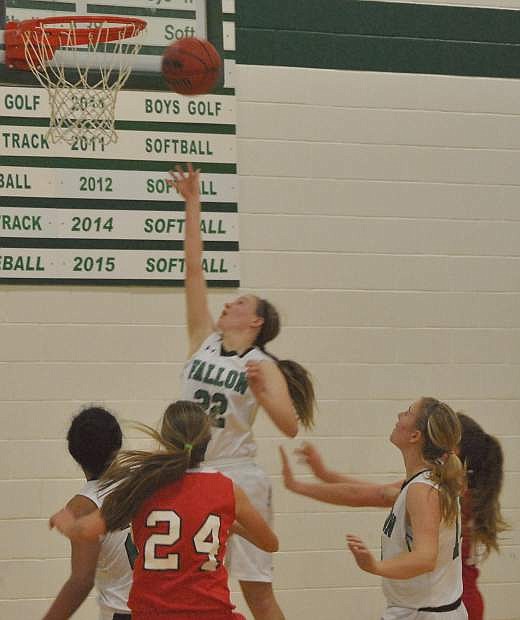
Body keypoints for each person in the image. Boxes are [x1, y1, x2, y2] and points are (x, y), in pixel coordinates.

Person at [167, 163, 316, 620]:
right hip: (191, 471)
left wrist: (266, 395)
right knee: (188, 583)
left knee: (257, 592)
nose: (228, 303)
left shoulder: (264, 365)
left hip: (239, 476)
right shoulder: (202, 339)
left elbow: (290, 427)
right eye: (230, 300)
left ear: (255, 322)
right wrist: (193, 204)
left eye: (240, 303)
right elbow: (194, 270)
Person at [50, 400, 279, 620]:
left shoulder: (145, 485)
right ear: (208, 441)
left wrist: (67, 523)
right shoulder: (228, 489)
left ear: (165, 439)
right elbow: (270, 544)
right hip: (212, 613)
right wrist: (233, 527)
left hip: (153, 614)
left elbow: (87, 530)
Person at [281, 397, 468, 619]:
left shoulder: (422, 490)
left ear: (415, 436)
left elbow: (425, 558)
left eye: (408, 412)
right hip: (422, 610)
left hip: (424, 613)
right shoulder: (425, 481)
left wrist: (375, 566)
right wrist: (320, 476)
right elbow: (366, 494)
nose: (399, 415)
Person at [43, 406, 132, 620]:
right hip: (162, 609)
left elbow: (81, 580)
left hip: (123, 612)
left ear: (75, 454)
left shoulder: (83, 507)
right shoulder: (142, 482)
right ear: (118, 443)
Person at [457, 413, 507, 620]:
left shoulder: (456, 498)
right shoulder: (469, 495)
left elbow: (379, 495)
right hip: (461, 604)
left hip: (458, 607)